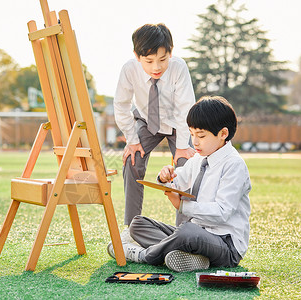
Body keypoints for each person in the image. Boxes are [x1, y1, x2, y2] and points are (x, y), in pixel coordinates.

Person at [108, 96, 252, 272]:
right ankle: (194, 257)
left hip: (225, 245)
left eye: (201, 136)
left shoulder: (234, 165)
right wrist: (165, 177)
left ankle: (144, 255)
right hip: (198, 236)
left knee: (187, 232)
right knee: (137, 224)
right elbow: (179, 179)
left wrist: (183, 206)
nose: (195, 142)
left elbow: (222, 212)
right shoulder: (199, 158)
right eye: (191, 134)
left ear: (223, 134)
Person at [113, 23, 196, 229]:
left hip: (178, 123)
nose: (156, 67)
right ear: (137, 55)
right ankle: (132, 227)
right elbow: (121, 106)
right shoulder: (129, 70)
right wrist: (132, 141)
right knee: (132, 161)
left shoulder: (179, 67)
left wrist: (183, 146)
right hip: (146, 121)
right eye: (149, 61)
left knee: (187, 164)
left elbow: (186, 107)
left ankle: (184, 229)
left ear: (171, 52)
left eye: (162, 60)